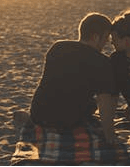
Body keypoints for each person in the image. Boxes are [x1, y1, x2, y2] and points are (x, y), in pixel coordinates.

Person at [29, 13, 117, 143]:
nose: (106, 43)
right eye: (105, 38)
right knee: (92, 105)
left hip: (38, 114)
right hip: (65, 121)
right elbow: (104, 102)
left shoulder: (58, 47)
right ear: (95, 37)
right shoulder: (101, 61)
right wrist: (110, 136)